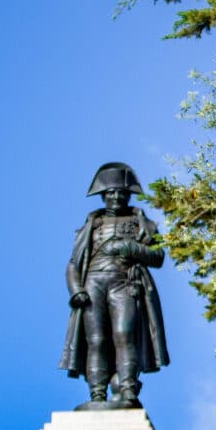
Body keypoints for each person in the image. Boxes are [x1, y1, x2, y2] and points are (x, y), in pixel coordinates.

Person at [59, 162, 170, 408]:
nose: (116, 197)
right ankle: (97, 394)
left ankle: (128, 389)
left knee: (124, 334)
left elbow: (158, 256)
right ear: (103, 195)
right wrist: (76, 290)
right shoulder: (91, 225)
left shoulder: (141, 223)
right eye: (111, 193)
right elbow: (73, 264)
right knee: (96, 340)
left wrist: (129, 247)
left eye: (122, 193)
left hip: (124, 282)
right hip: (93, 283)